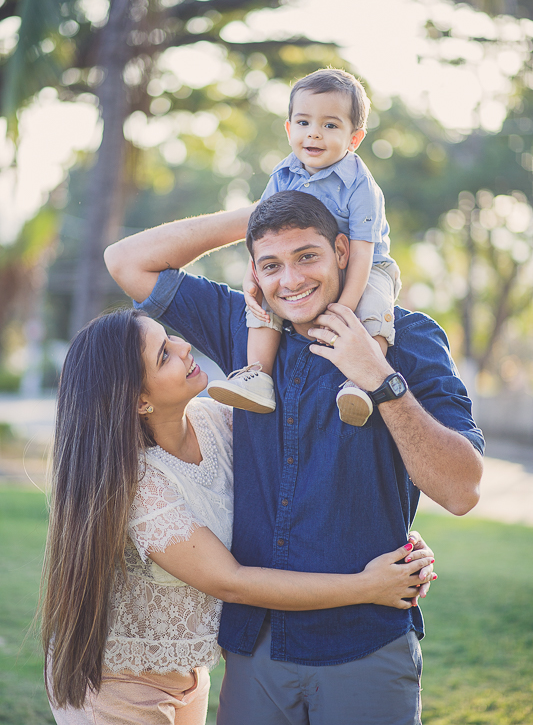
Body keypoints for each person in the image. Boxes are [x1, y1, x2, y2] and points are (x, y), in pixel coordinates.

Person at [104, 191, 484, 725]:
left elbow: (462, 489)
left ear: (344, 251)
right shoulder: (244, 325)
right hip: (255, 650)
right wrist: (261, 212)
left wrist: (377, 378)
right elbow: (126, 259)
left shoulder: (408, 339)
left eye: (308, 256)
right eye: (271, 265)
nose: (291, 281)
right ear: (255, 272)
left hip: (365, 645)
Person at [41, 307, 436, 725]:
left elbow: (298, 473)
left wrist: (387, 535)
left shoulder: (216, 420)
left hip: (189, 675)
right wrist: (367, 586)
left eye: (170, 336)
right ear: (139, 401)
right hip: (118, 687)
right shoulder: (139, 485)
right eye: (163, 355)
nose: (184, 346)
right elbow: (232, 582)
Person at [206, 68, 400, 428]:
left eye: (330, 125)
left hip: (365, 265)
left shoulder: (360, 185)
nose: (314, 132)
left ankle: (362, 380)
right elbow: (260, 234)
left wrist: (344, 307)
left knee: (374, 310)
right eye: (304, 122)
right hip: (301, 264)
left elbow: (361, 252)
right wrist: (253, 278)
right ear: (289, 129)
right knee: (265, 304)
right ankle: (257, 377)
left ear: (354, 138)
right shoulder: (282, 175)